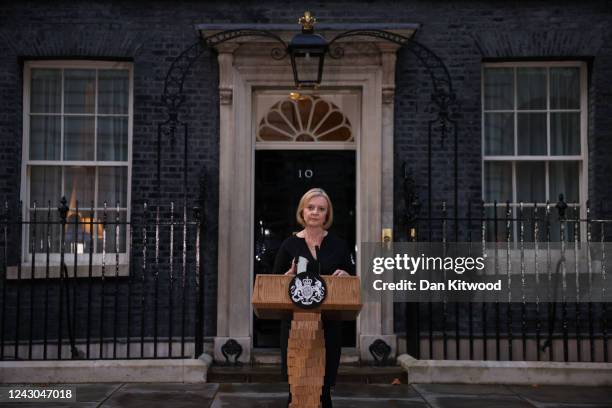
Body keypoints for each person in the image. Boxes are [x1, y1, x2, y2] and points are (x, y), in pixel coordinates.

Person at [272, 188, 354, 408]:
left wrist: (346, 276)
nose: (315, 212)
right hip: (296, 327)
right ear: (302, 211)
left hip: (329, 325)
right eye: (310, 207)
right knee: (297, 388)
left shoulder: (339, 244)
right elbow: (273, 284)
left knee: (323, 390)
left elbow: (353, 279)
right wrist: (286, 278)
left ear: (327, 215)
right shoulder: (289, 245)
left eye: (321, 209)